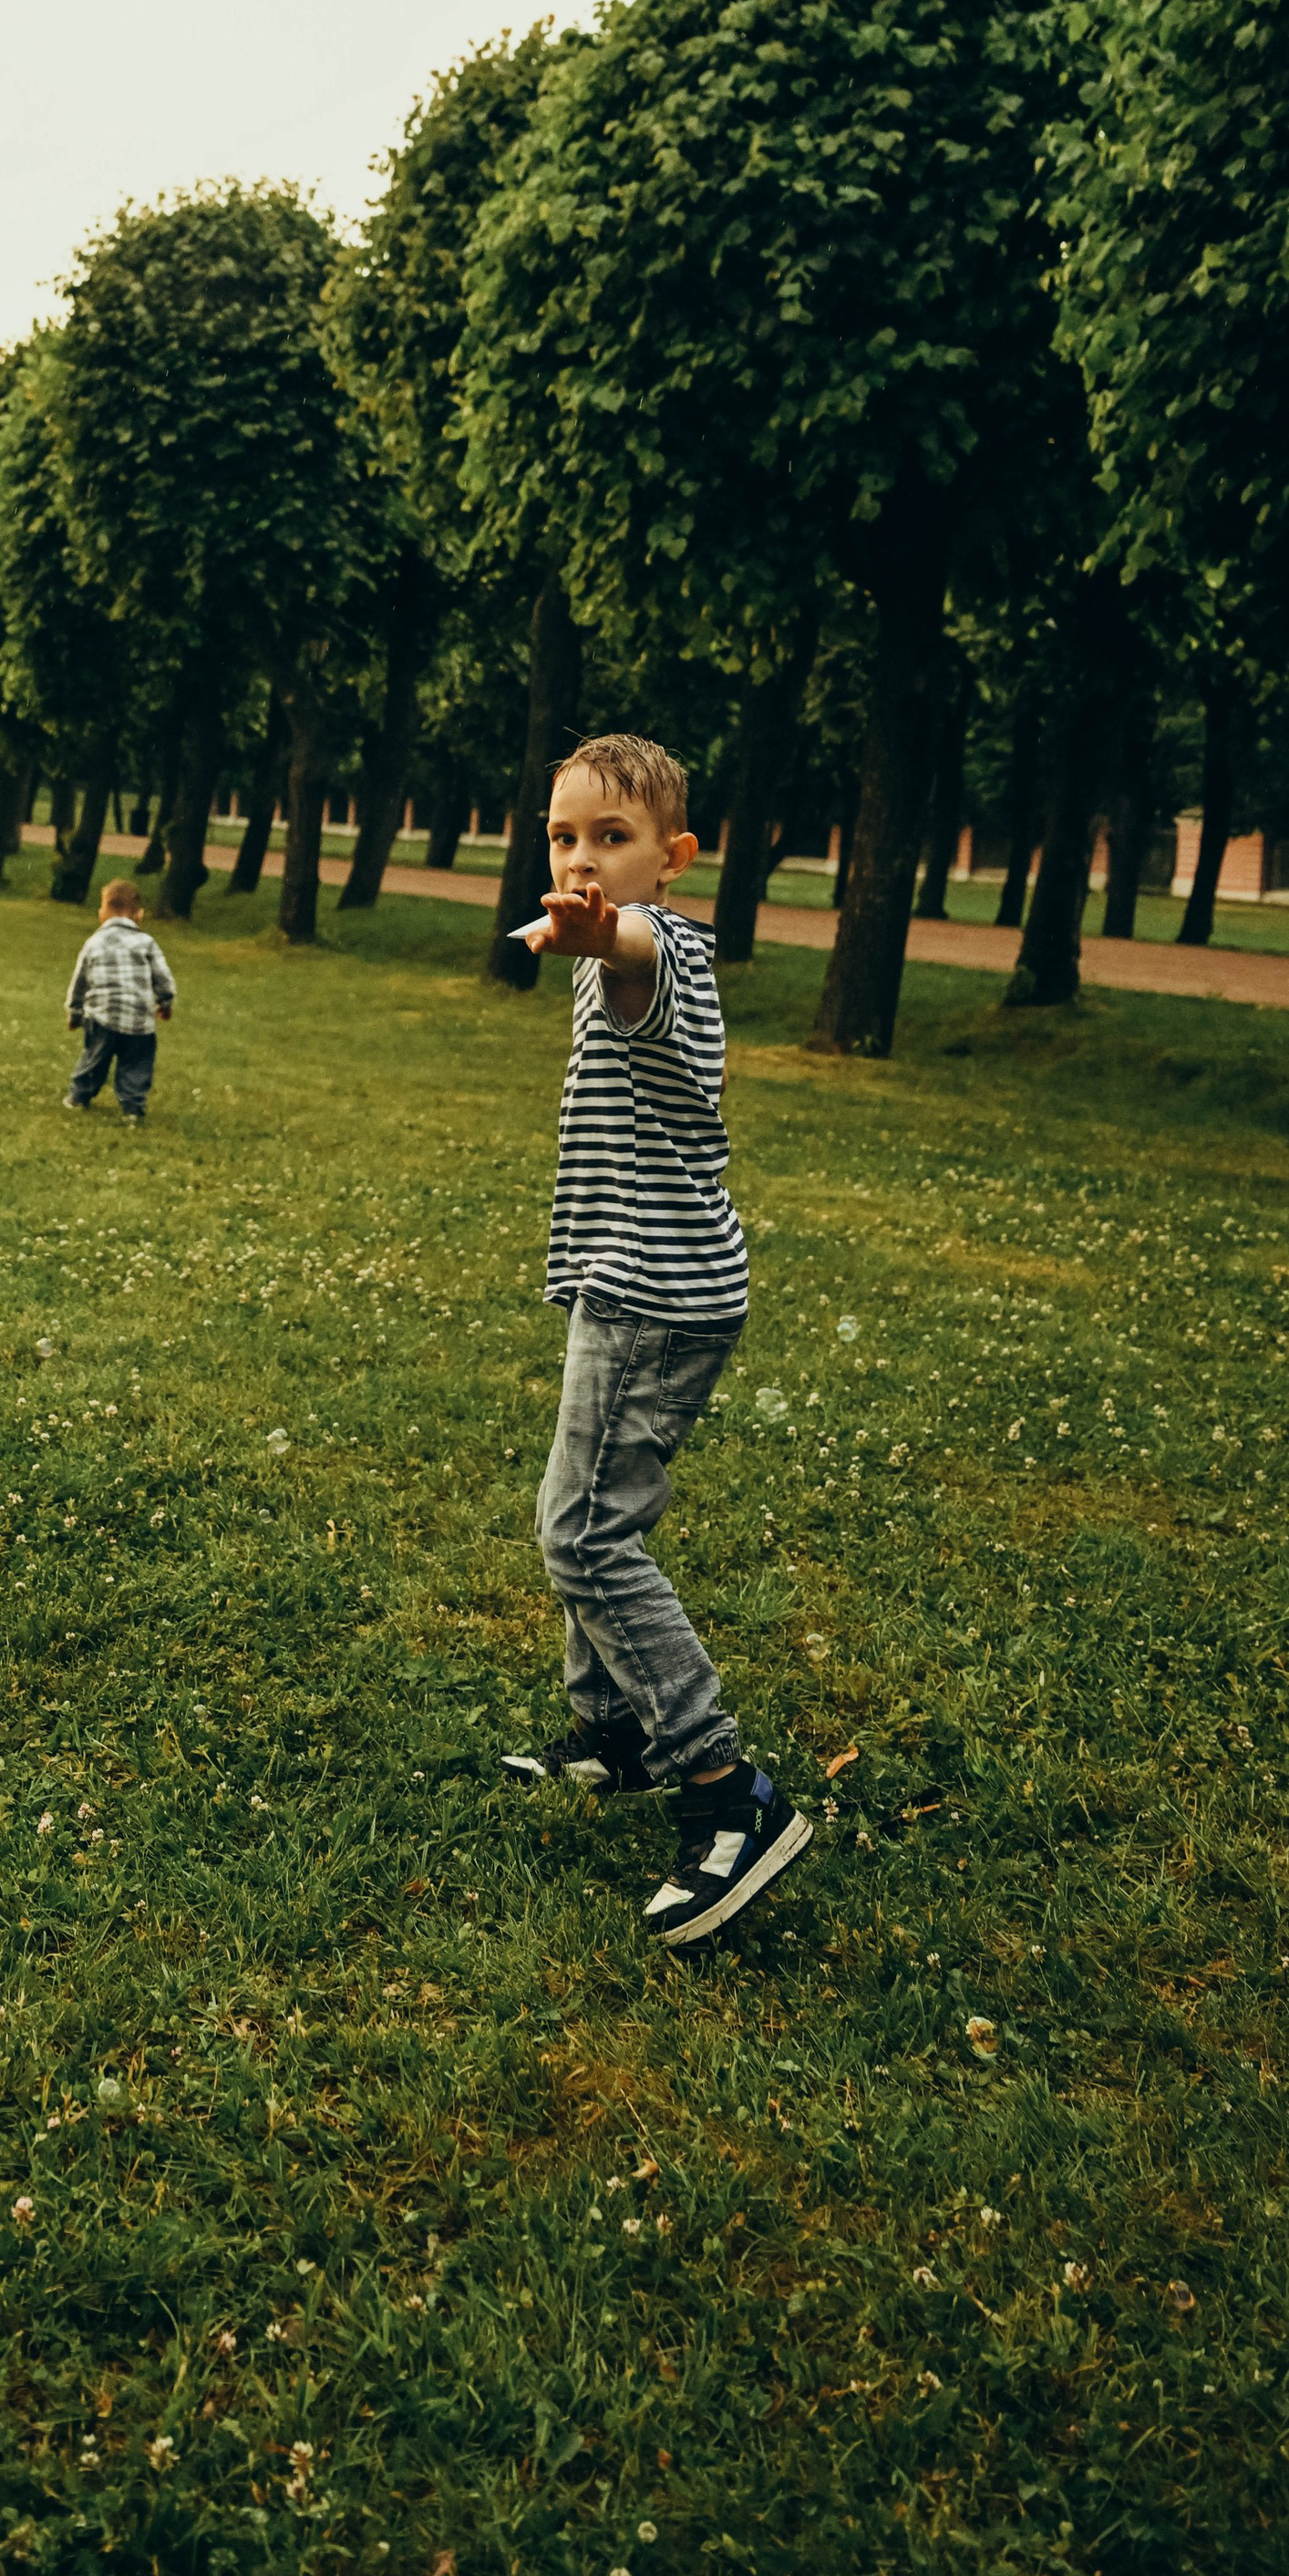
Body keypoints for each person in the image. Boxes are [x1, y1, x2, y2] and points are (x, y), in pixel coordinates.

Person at [500, 732, 810, 1950]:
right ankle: (614, 1735)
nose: (584, 860)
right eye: (566, 837)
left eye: (612, 839)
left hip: (657, 1293)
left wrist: (599, 933)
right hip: (631, 1284)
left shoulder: (657, 944)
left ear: (672, 859)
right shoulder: (611, 942)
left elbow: (632, 953)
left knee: (582, 1533)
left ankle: (727, 1792)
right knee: (592, 1510)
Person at [62, 877, 173, 1123]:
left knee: (94, 1059)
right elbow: (163, 977)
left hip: (102, 1016)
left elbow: (79, 980)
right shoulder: (147, 942)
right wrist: (165, 1002)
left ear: (102, 913)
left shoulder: (93, 943)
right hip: (139, 1021)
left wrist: (75, 1013)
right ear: (139, 916)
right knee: (136, 1065)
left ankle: (79, 1097)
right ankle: (132, 1108)